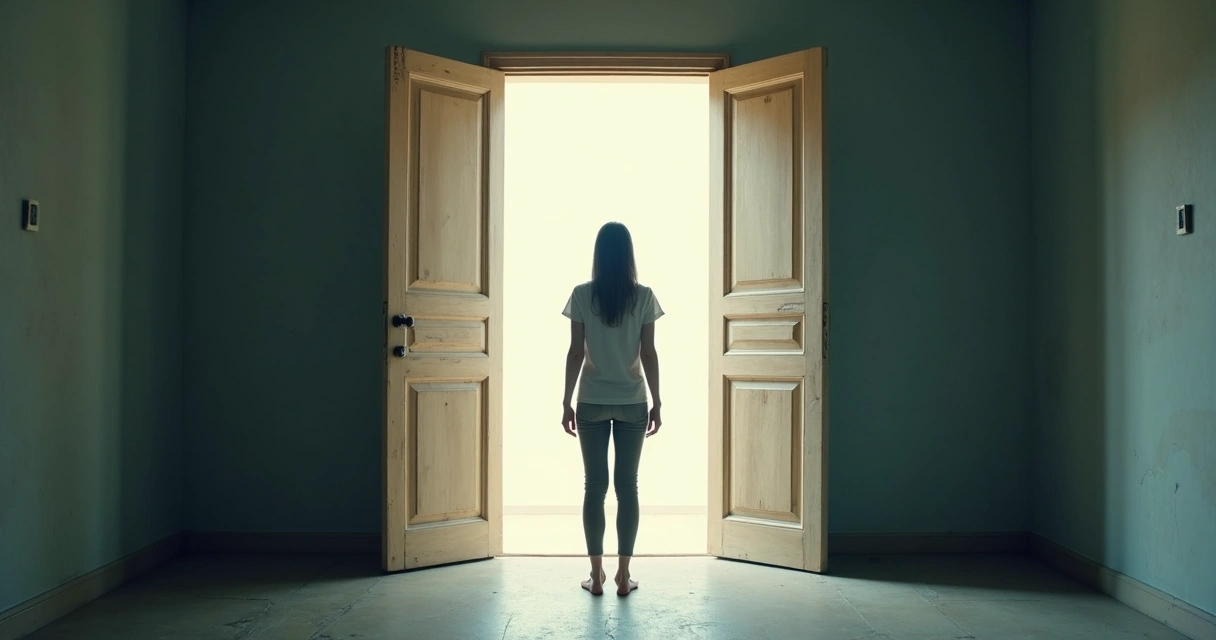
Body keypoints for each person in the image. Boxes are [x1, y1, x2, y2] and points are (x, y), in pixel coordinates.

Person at [560, 221, 663, 597]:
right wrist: (658, 402)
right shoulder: (644, 296)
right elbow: (648, 353)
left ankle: (596, 574)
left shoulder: (582, 295)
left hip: (591, 399)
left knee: (594, 487)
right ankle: (623, 575)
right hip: (633, 399)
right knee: (627, 488)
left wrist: (566, 401)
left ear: (598, 256)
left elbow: (575, 352)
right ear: (629, 255)